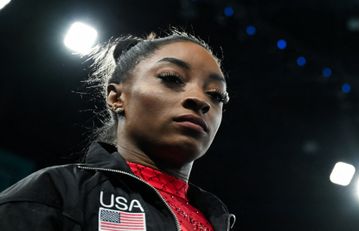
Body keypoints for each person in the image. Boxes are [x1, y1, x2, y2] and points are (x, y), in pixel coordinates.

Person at [0, 30, 236, 231]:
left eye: (216, 95)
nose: (200, 100)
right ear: (117, 97)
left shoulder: (215, 220)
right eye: (171, 78)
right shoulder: (53, 193)